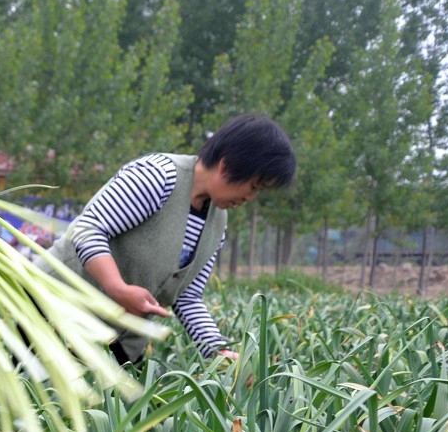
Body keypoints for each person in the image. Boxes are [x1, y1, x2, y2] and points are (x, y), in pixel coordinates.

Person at [37, 114, 295, 366]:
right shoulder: (159, 176)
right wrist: (118, 288)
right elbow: (88, 229)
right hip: (54, 310)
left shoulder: (217, 221)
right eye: (253, 186)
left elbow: (188, 296)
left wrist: (218, 351)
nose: (251, 198)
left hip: (117, 338)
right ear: (227, 165)